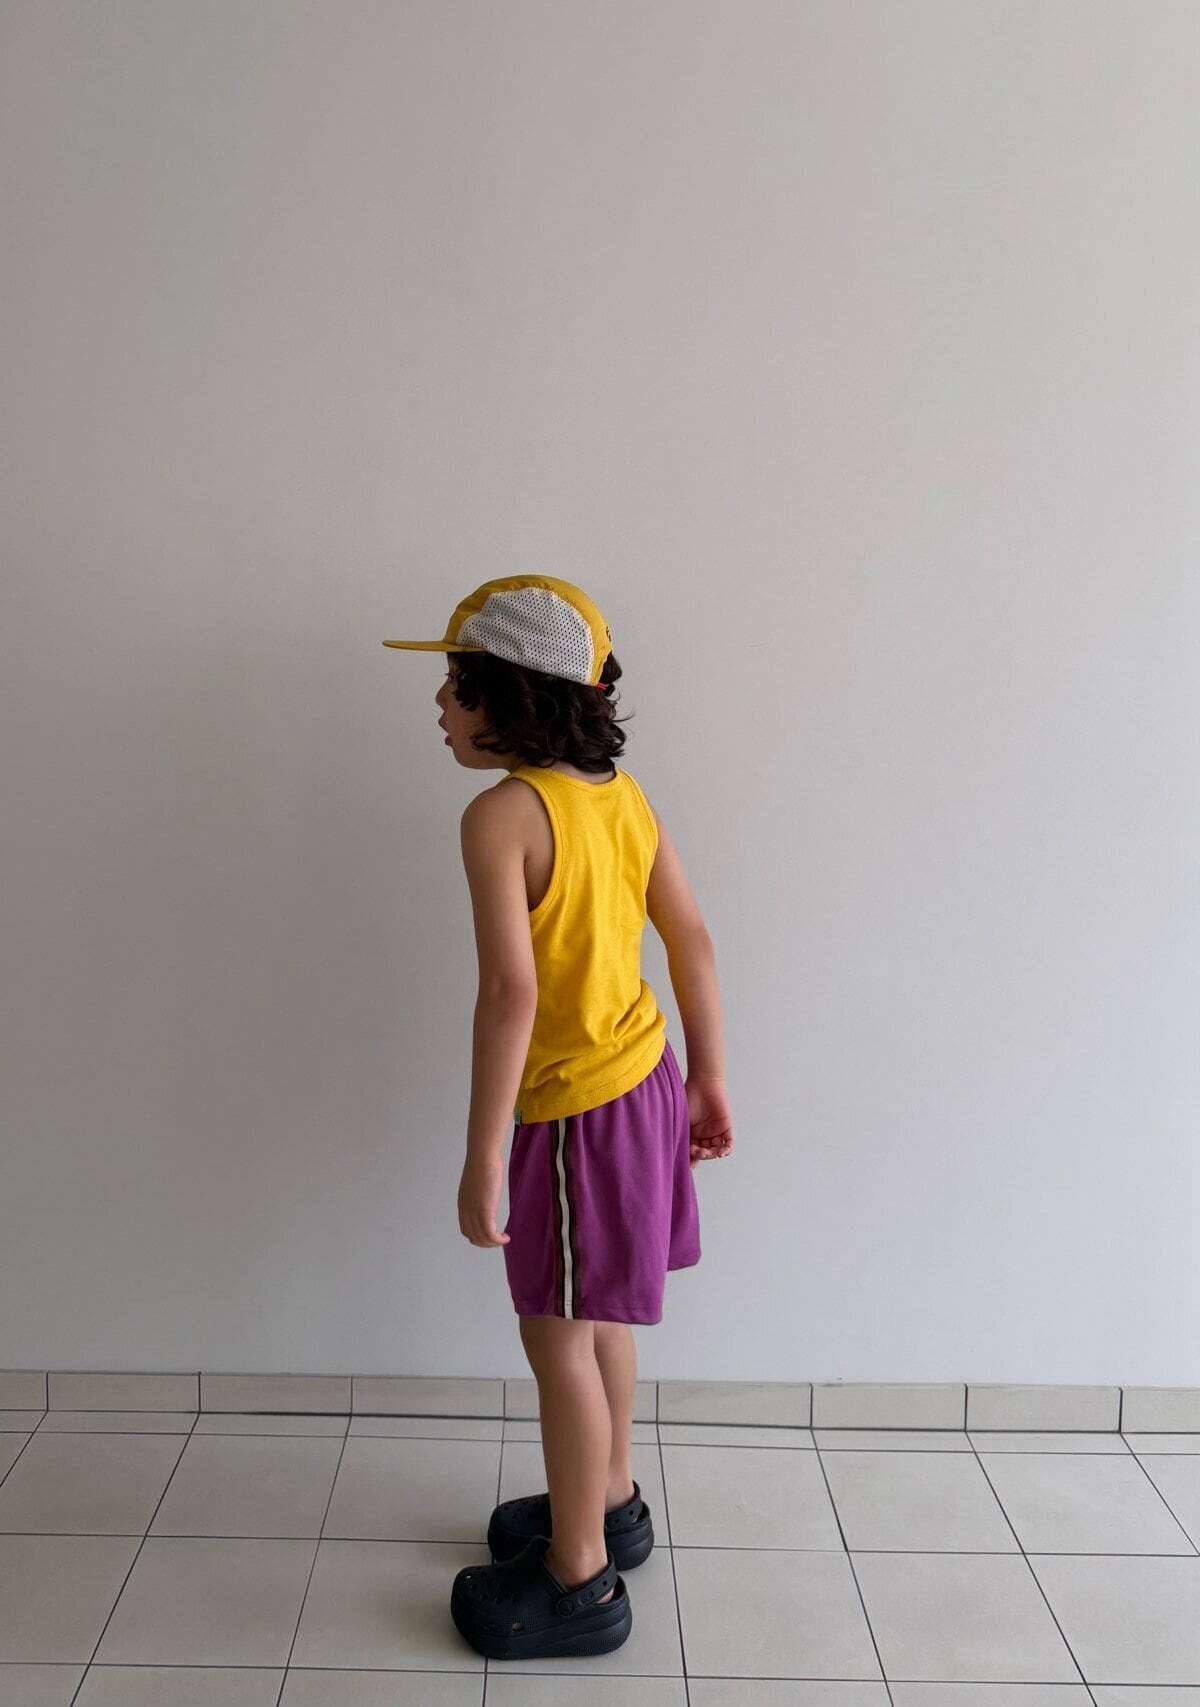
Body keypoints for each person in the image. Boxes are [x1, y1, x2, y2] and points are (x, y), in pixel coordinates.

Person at [382, 573, 733, 1661]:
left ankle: (579, 1575)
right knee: (599, 1320)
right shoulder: (620, 795)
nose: (440, 703)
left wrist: (483, 1156)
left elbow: (510, 994)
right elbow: (690, 936)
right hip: (646, 1081)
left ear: (511, 695)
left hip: (579, 1112)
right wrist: (710, 1076)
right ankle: (610, 1498)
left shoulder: (499, 818)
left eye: (457, 683)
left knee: (557, 1338)